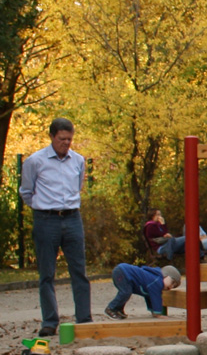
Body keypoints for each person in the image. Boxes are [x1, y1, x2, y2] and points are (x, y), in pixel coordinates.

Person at [20, 117, 93, 337]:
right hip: (46, 219)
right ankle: (50, 321)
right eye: (62, 139)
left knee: (79, 270)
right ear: (52, 137)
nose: (66, 143)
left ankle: (84, 319)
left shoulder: (78, 160)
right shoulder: (35, 161)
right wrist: (42, 208)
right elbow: (26, 191)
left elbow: (78, 186)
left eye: (69, 139)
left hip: (72, 217)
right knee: (47, 273)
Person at [104, 264, 181, 319]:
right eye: (172, 283)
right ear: (166, 276)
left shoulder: (153, 281)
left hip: (123, 272)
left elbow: (150, 296)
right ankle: (111, 308)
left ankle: (118, 309)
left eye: (174, 286)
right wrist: (158, 314)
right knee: (125, 292)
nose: (171, 287)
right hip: (123, 272)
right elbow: (156, 297)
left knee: (127, 292)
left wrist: (153, 311)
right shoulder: (157, 281)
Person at [143, 209, 207, 261]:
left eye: (160, 214)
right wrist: (163, 224)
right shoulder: (150, 226)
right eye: (158, 214)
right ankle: (203, 256)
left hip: (169, 244)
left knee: (188, 244)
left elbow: (166, 234)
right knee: (189, 238)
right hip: (162, 248)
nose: (160, 216)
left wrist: (163, 228)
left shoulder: (157, 225)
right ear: (152, 216)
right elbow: (164, 234)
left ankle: (203, 257)